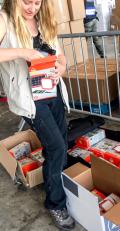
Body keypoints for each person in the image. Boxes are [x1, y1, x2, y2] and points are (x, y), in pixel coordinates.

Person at [0, 0, 74, 230]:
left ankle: (54, 180)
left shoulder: (44, 20)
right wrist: (26, 52)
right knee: (57, 147)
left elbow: (60, 56)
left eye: (37, 2)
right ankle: (55, 202)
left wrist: (62, 67)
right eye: (26, 1)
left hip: (53, 92)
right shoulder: (4, 19)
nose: (32, 7)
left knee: (60, 144)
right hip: (31, 99)